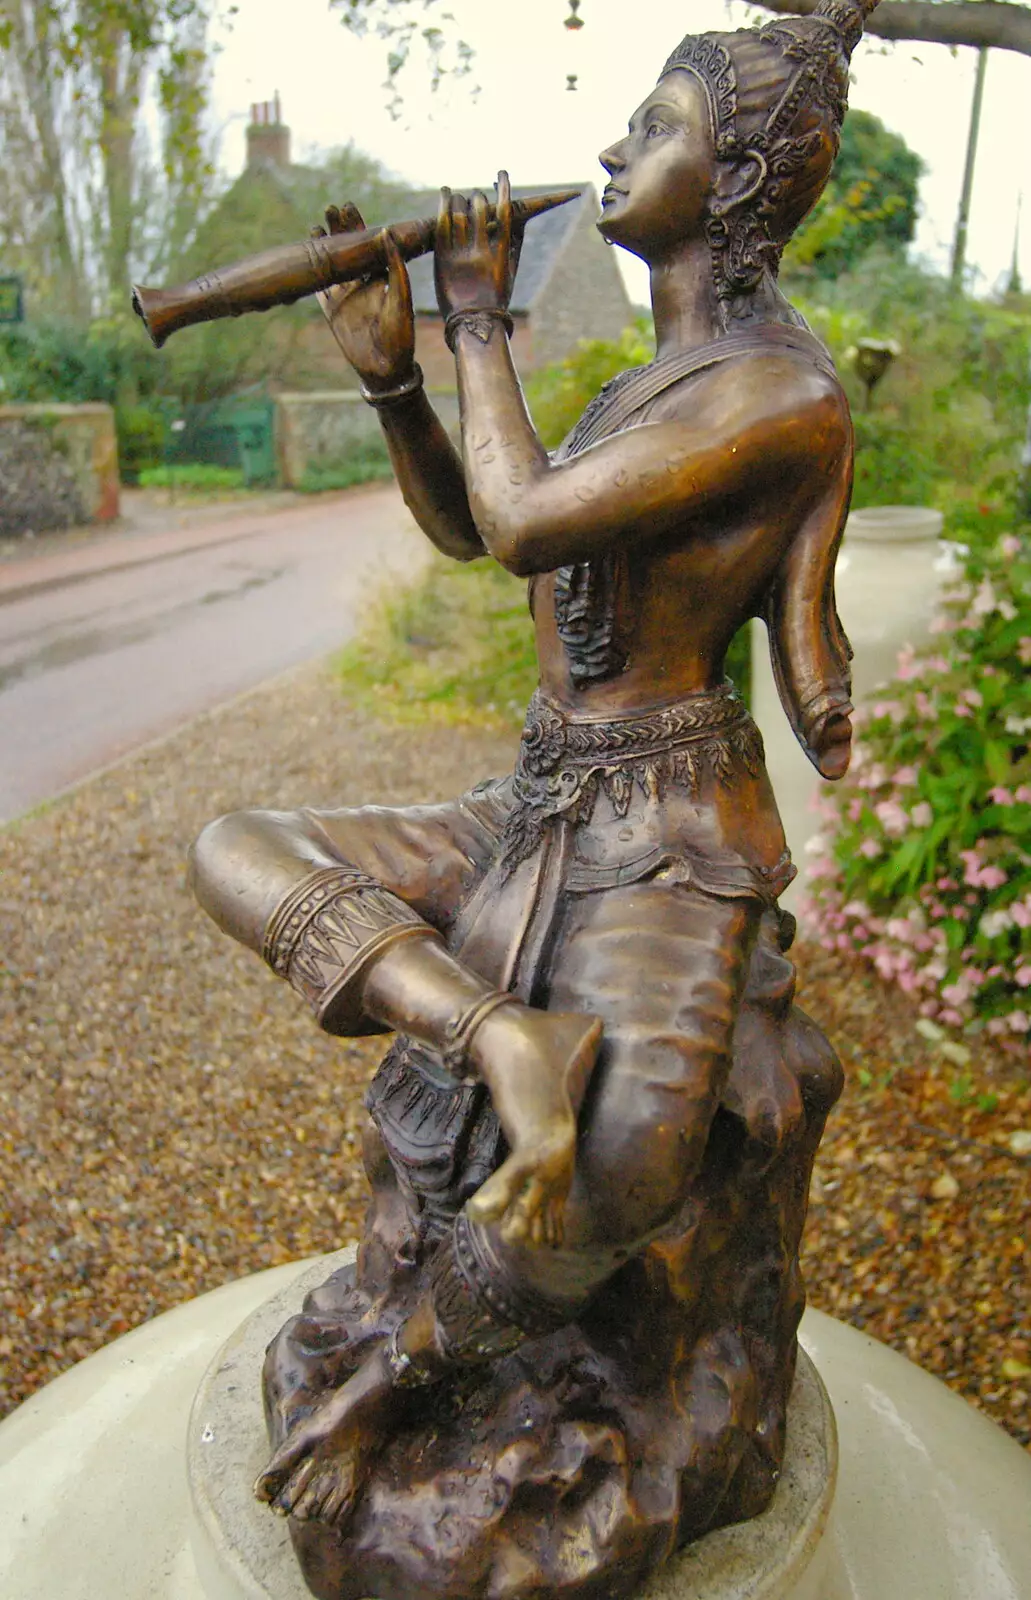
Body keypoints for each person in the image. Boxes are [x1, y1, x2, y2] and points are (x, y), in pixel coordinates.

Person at [190, 0, 873, 1538]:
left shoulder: (779, 392)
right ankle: (502, 1037)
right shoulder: (657, 383)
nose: (613, 150)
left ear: (747, 171)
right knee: (238, 844)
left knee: (626, 1172)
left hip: (673, 832)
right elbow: (484, 524)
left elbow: (523, 526)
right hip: (541, 798)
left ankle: (406, 1365)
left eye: (656, 128)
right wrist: (393, 378)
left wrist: (480, 311)